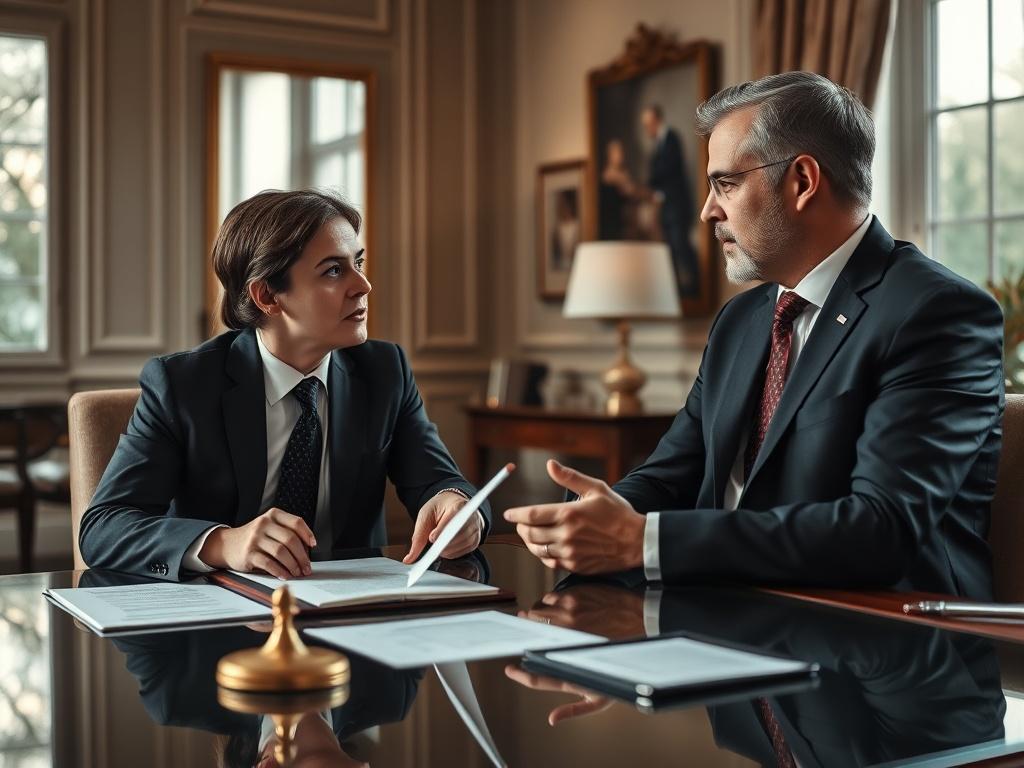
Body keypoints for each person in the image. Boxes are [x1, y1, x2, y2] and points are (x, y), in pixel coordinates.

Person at [505, 72, 1004, 599]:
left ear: (803, 181)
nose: (707, 211)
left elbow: (878, 530)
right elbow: (671, 474)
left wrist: (644, 541)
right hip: (725, 619)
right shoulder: (741, 320)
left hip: (883, 642)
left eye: (725, 184)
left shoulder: (936, 312)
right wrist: (595, 516)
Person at [80, 189, 487, 581]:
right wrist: (224, 543)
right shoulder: (183, 385)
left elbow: (439, 481)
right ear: (267, 295)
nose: (363, 286)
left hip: (354, 617)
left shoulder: (384, 372)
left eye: (358, 263)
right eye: (333, 270)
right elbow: (104, 526)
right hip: (220, 626)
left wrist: (460, 508)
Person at [642, 104, 699, 295]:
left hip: (677, 207)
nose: (646, 129)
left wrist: (651, 181)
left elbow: (666, 172)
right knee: (671, 251)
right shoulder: (658, 144)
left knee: (680, 245)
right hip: (667, 208)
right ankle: (678, 289)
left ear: (656, 120)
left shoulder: (671, 138)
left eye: (648, 124)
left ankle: (694, 285)